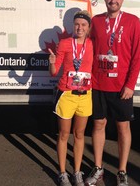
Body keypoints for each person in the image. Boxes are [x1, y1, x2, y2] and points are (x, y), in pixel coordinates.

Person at [85, 0, 140, 186]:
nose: (113, 0)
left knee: (122, 128)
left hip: (121, 87)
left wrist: (131, 84)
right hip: (98, 84)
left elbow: (137, 56)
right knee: (98, 124)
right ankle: (98, 167)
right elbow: (89, 51)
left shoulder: (133, 21)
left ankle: (122, 171)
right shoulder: (96, 21)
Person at [49, 10, 93, 186]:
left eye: (83, 25)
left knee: (80, 134)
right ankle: (62, 173)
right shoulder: (65, 43)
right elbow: (54, 72)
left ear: (88, 28)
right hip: (66, 94)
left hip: (85, 95)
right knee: (64, 134)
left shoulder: (92, 45)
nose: (80, 27)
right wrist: (52, 61)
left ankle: (76, 172)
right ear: (72, 26)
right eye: (77, 24)